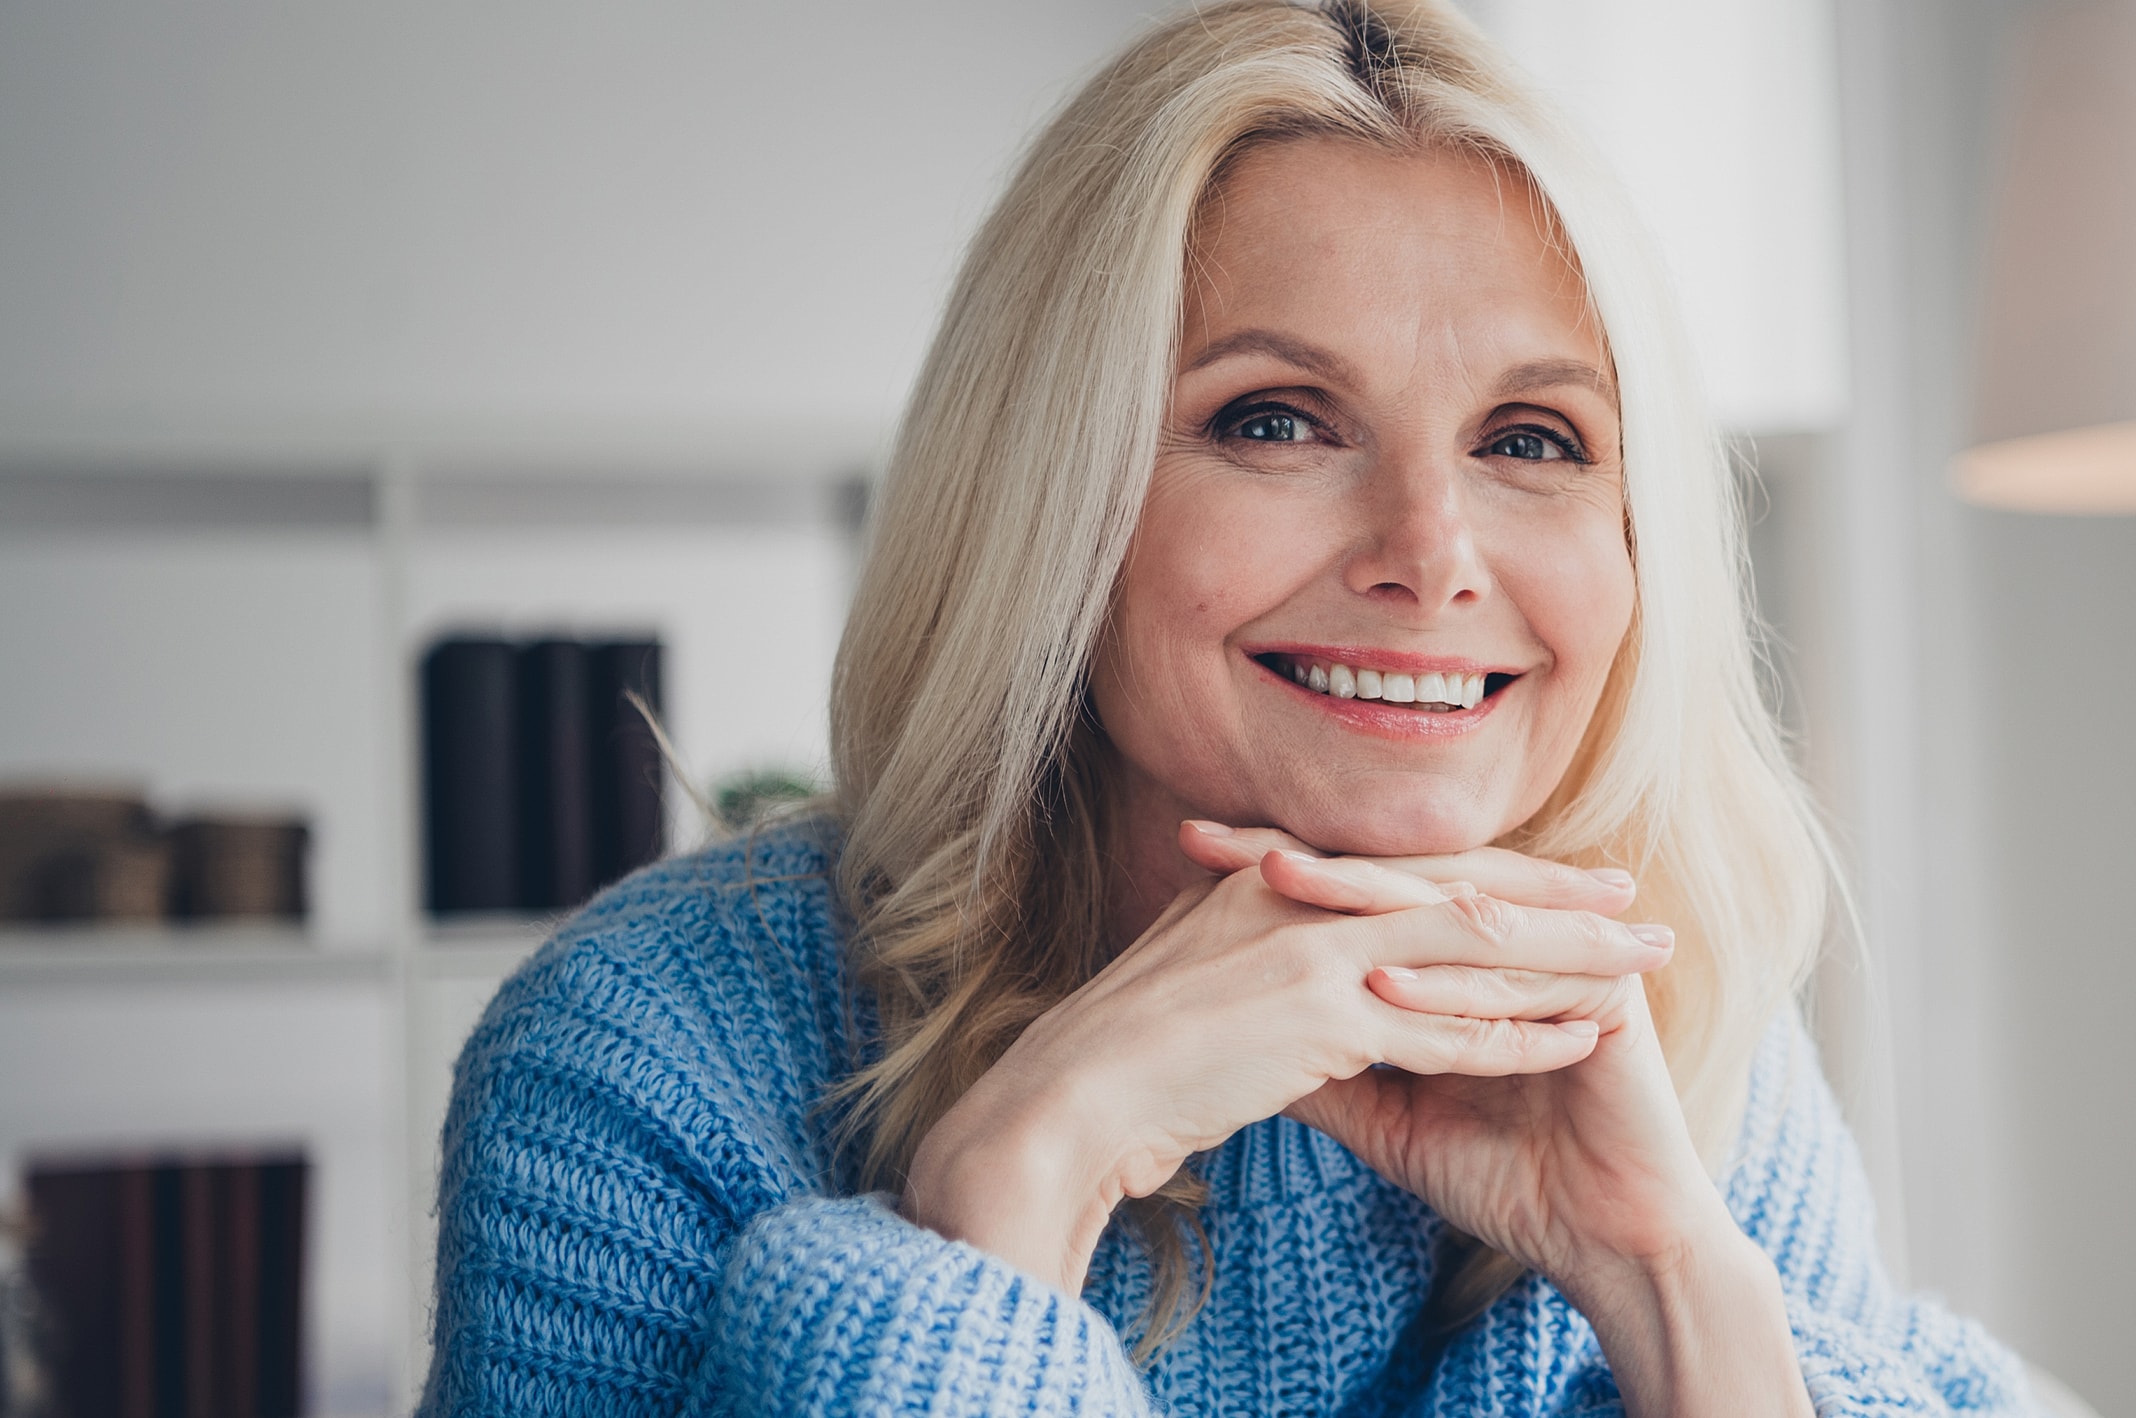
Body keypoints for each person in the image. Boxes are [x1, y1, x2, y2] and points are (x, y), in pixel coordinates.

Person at [420, 2, 2038, 1413]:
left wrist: (1682, 1286)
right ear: (1054, 500)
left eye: (1533, 439)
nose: (1432, 553)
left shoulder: (1696, 1051)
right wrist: (1020, 1184)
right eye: (1275, 419)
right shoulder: (647, 1058)